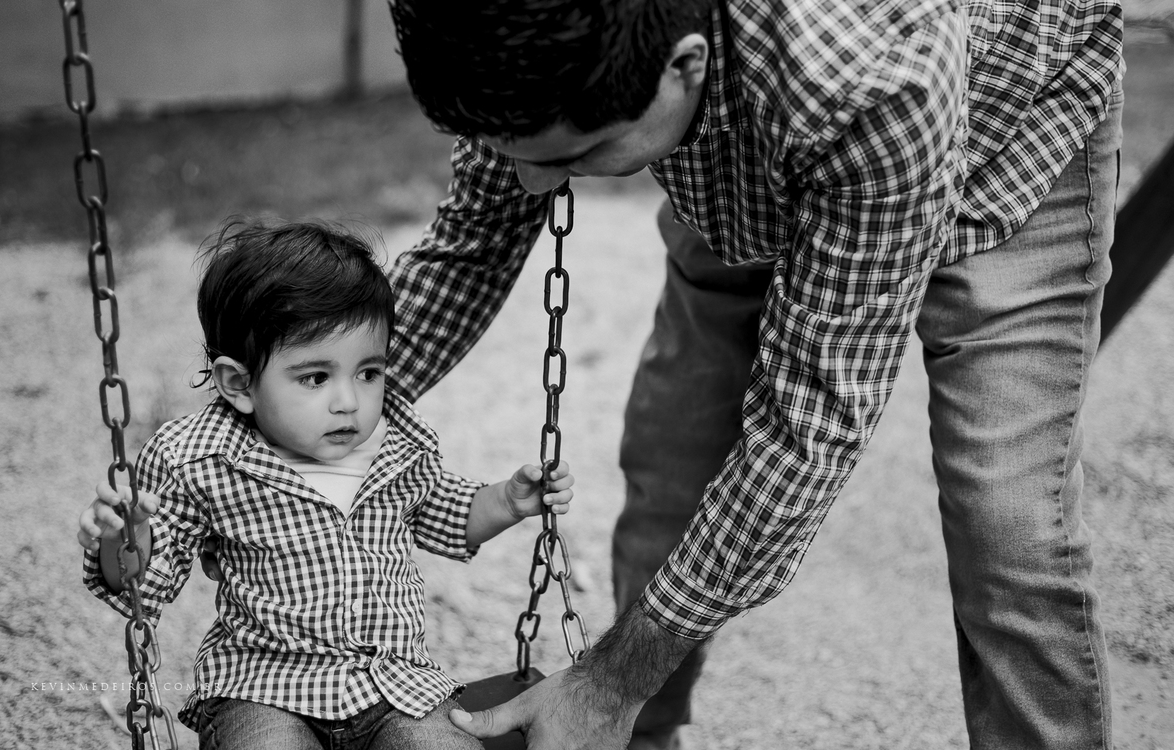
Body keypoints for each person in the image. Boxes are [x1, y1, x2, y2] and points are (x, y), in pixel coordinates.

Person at [384, 0, 1125, 748]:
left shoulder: (869, 72)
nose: (531, 186)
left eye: (573, 156)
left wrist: (613, 677)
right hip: (741, 160)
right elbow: (467, 248)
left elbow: (809, 424)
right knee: (670, 467)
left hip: (1005, 136)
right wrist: (284, 424)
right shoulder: (543, 32)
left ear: (683, 65)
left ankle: (609, 699)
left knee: (1009, 531)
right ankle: (623, 734)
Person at [75, 219, 575, 749]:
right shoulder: (197, 459)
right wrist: (121, 539)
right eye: (315, 378)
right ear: (239, 384)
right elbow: (144, 586)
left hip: (394, 686)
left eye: (368, 373)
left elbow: (449, 513)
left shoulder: (397, 442)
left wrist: (506, 500)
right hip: (263, 687)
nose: (349, 402)